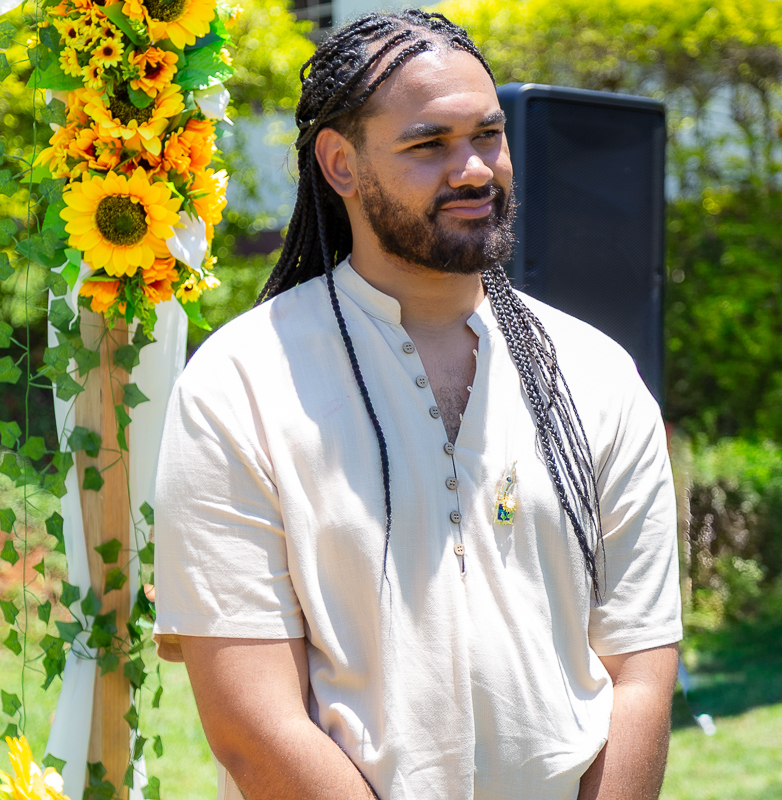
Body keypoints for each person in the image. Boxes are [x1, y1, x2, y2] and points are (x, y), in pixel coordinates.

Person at [152, 10, 683, 800]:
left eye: (489, 135)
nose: (474, 169)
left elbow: (639, 674)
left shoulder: (594, 375)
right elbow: (250, 725)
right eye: (429, 143)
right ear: (340, 164)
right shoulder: (242, 382)